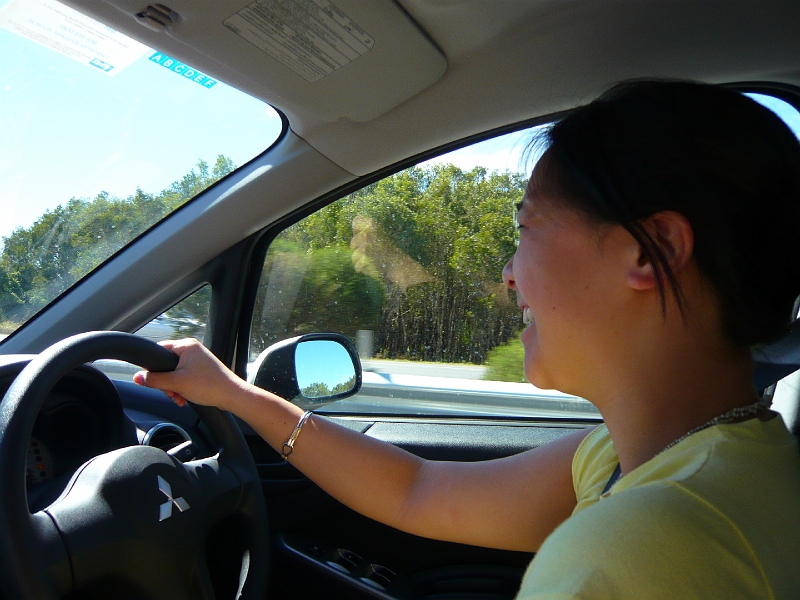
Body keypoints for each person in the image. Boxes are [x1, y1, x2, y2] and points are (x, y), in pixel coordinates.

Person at [134, 80, 800, 599]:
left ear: (650, 253)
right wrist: (235, 396)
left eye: (527, 226)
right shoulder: (680, 459)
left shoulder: (635, 552)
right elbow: (418, 489)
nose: (509, 274)